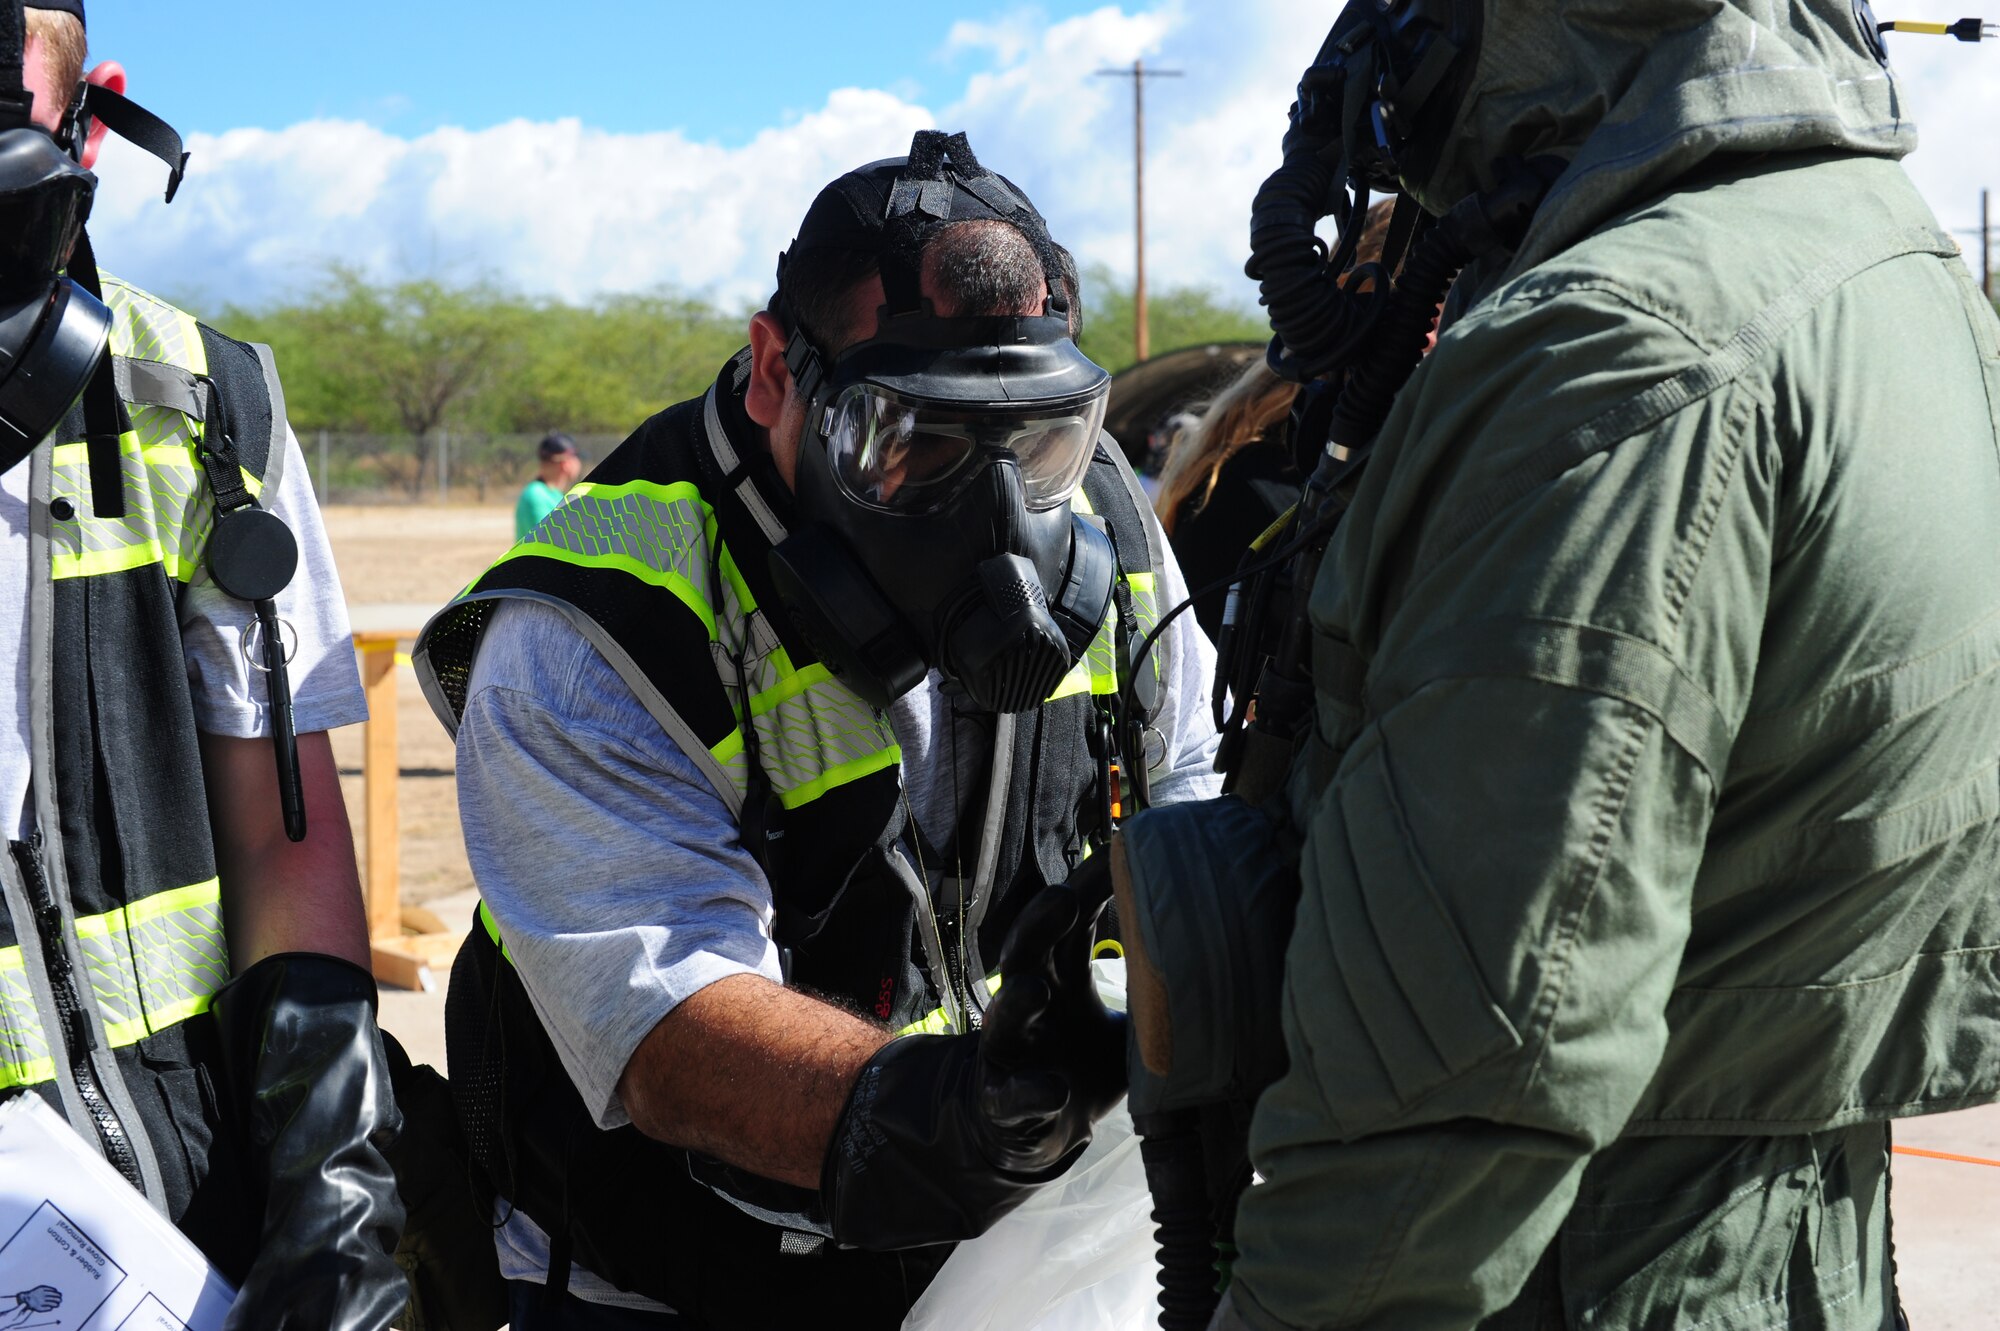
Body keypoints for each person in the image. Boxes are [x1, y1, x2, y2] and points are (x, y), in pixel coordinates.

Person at [1115, 1, 2000, 1328]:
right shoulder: (1907, 285)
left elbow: (1479, 1060)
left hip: (1565, 1266)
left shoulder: (1620, 354)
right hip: (1792, 1243)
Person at [413, 129, 1219, 1328]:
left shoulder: (1107, 515)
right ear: (776, 369)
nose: (997, 519)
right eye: (914, 442)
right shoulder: (595, 623)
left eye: (1035, 440)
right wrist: (956, 1106)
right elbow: (663, 1023)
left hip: (989, 1251)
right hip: (662, 1273)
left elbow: (1192, 799)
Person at [0, 6, 405, 1331]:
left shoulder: (204, 403)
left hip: (201, 1217)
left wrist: (332, 1189)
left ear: (92, 122)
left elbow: (283, 828)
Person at [516, 431, 582, 539]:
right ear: (565, 464)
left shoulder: (554, 494)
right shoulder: (536, 495)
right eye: (575, 457)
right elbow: (551, 540)